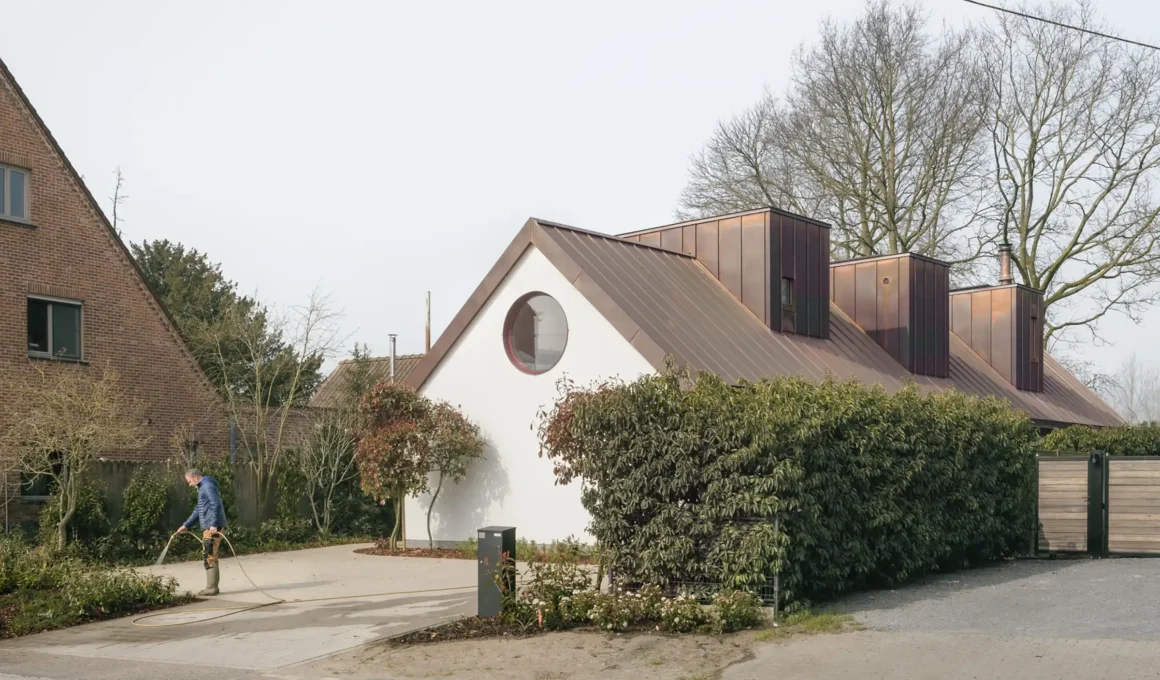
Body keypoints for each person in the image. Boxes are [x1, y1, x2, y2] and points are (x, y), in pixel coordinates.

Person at [176, 468, 227, 596]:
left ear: (195, 476)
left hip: (212, 527)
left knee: (209, 555)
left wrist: (214, 524)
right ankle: (213, 587)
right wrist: (186, 525)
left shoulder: (207, 486)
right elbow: (199, 509)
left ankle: (211, 588)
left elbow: (216, 504)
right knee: (211, 555)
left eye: (189, 481)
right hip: (210, 526)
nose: (190, 484)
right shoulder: (203, 487)